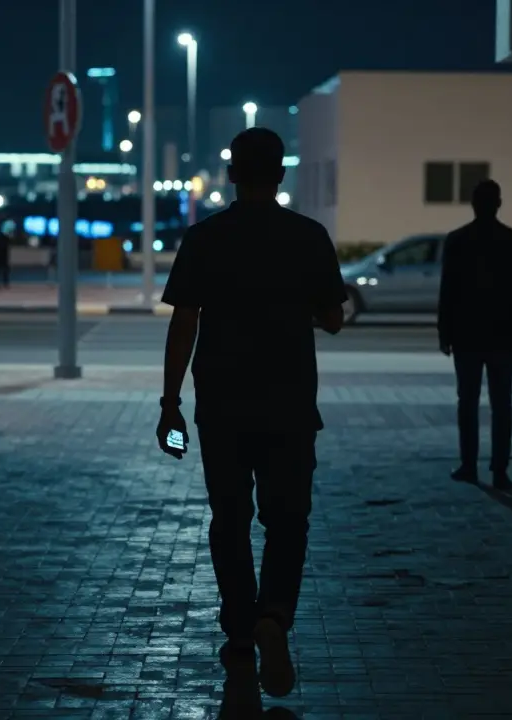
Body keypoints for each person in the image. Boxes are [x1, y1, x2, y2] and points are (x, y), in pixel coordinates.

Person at [154, 127, 346, 701]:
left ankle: (241, 627)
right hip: (290, 406)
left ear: (233, 174)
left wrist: (170, 404)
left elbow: (184, 322)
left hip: (223, 407)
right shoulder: (309, 237)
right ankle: (274, 616)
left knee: (229, 520)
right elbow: (334, 318)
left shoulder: (205, 238)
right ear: (281, 174)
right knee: (288, 521)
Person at [437, 179, 512, 491]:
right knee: (502, 404)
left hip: (467, 334)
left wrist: (444, 332)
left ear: (474, 204)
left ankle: (469, 465)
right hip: (502, 335)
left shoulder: (457, 240)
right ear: (499, 204)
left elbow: (448, 291)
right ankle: (500, 470)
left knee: (467, 402)